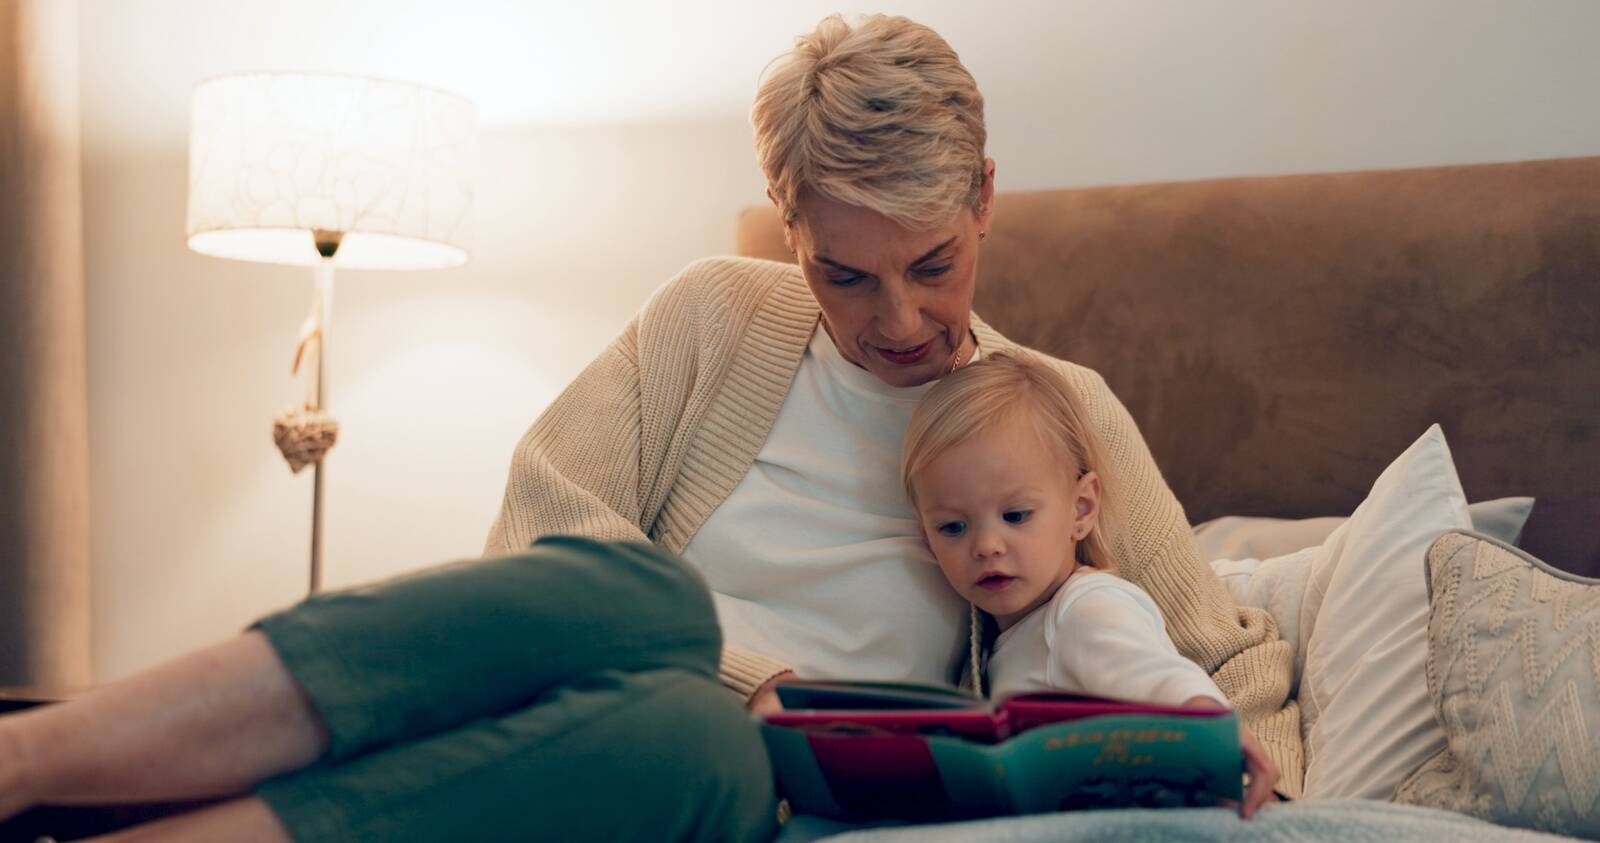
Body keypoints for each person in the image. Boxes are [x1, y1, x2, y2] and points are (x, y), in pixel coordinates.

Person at [0, 13, 1298, 842]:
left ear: (986, 203)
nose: (900, 317)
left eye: (935, 262)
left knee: (690, 724)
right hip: (610, 664)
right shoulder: (710, 316)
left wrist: (1265, 769)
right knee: (643, 600)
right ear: (789, 226)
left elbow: (1220, 653)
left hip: (788, 773)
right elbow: (543, 528)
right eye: (845, 273)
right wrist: (743, 669)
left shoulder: (1055, 408)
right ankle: (21, 760)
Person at [901, 351, 1279, 817]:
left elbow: (1155, 674)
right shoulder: (1000, 636)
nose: (986, 545)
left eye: (1016, 516)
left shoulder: (1086, 607)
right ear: (925, 535)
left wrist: (1217, 731)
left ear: (1080, 509)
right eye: (953, 528)